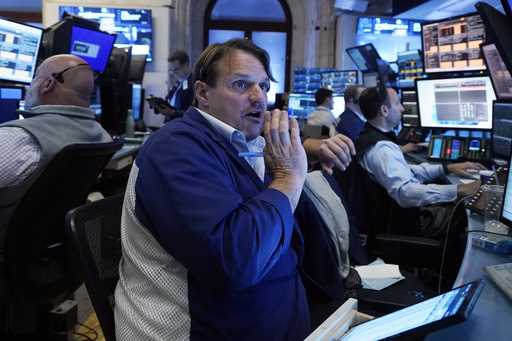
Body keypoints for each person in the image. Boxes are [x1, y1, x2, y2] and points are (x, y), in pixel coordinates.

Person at [114, 38, 355, 340]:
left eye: (264, 86)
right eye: (242, 85)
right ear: (203, 93)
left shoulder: (237, 139)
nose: (259, 98)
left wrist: (307, 148)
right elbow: (236, 261)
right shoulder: (174, 150)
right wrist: (288, 178)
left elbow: (252, 153)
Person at [339, 86, 484, 238]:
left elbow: (407, 171)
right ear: (384, 110)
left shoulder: (372, 137)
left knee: (452, 201)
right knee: (463, 212)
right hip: (403, 227)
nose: (402, 108)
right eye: (397, 103)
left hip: (394, 218)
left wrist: (447, 168)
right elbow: (405, 192)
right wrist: (459, 189)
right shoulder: (382, 149)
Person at [0, 54, 112, 244]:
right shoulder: (101, 135)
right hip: (47, 249)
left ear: (47, 84)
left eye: (34, 78)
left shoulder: (18, 139)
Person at [162, 49, 194, 120]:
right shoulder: (178, 82)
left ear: (186, 64)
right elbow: (169, 101)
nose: (173, 73)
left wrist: (174, 113)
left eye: (176, 70)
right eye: (171, 70)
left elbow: (193, 113)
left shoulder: (193, 84)